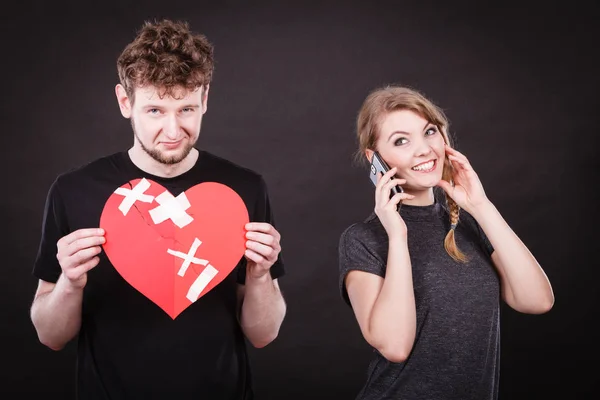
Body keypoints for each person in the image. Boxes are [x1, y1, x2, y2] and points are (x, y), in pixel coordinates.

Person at [30, 19, 286, 400]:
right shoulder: (74, 190)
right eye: (154, 111)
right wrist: (69, 282)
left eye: (186, 109)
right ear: (124, 102)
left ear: (205, 100)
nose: (172, 130)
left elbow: (263, 335)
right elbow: (51, 337)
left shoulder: (243, 189)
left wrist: (261, 275)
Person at [338, 85, 554, 400]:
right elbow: (395, 346)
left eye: (429, 132)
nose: (424, 149)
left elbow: (537, 301)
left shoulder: (469, 224)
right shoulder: (364, 238)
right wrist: (398, 236)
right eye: (401, 140)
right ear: (375, 160)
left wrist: (481, 206)